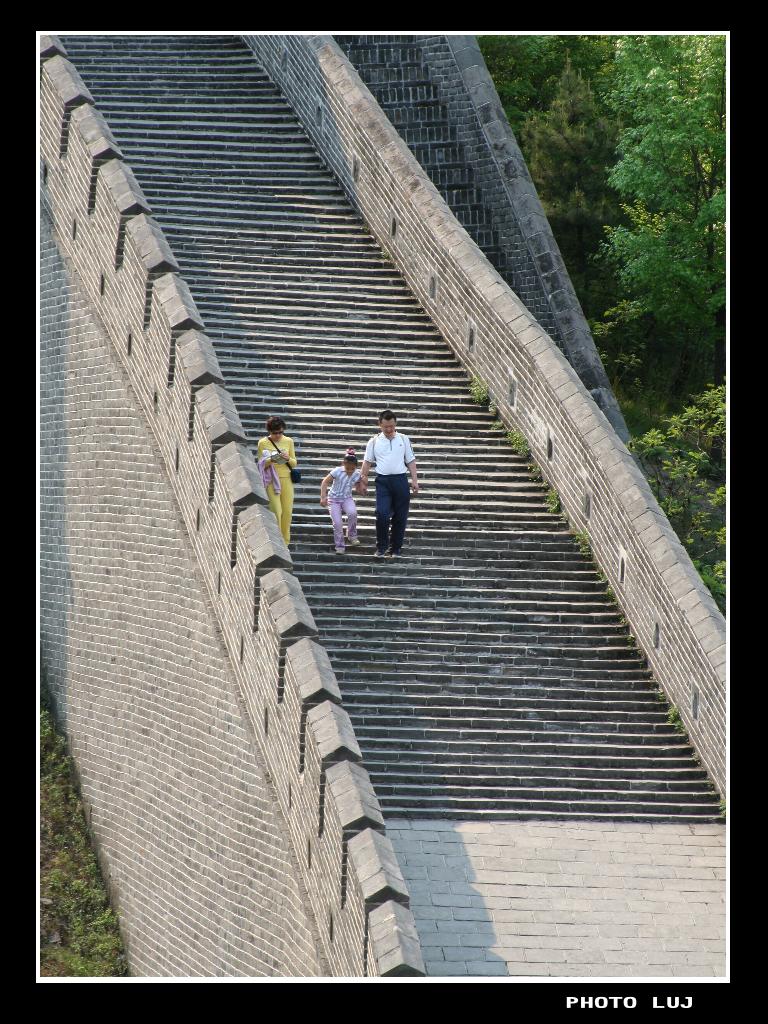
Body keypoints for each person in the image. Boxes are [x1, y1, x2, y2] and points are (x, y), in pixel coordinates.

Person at [360, 410, 419, 558]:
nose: (389, 429)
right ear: (379, 424)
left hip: (400, 480)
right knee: (382, 514)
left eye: (391, 426)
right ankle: (381, 547)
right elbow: (367, 462)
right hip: (383, 482)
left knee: (400, 517)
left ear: (395, 424)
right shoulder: (373, 441)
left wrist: (415, 481)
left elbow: (411, 461)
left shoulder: (404, 439)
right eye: (386, 426)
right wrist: (362, 480)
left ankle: (396, 548)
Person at [257, 416, 298, 544]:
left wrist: (286, 459)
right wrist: (272, 459)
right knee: (276, 510)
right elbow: (261, 464)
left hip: (286, 479)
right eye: (275, 433)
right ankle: (277, 540)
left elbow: (294, 463)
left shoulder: (289, 441)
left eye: (281, 432)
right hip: (271, 480)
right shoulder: (263, 443)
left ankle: (285, 542)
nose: (278, 435)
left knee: (287, 512)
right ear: (270, 432)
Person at [320, 448, 365, 554]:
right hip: (334, 499)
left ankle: (352, 535)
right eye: (347, 468)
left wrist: (362, 487)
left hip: (347, 498)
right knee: (337, 523)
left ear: (356, 467)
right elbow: (325, 482)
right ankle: (340, 546)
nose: (349, 471)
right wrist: (323, 497)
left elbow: (358, 485)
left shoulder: (357, 474)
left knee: (353, 513)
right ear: (343, 464)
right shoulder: (337, 471)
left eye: (352, 469)